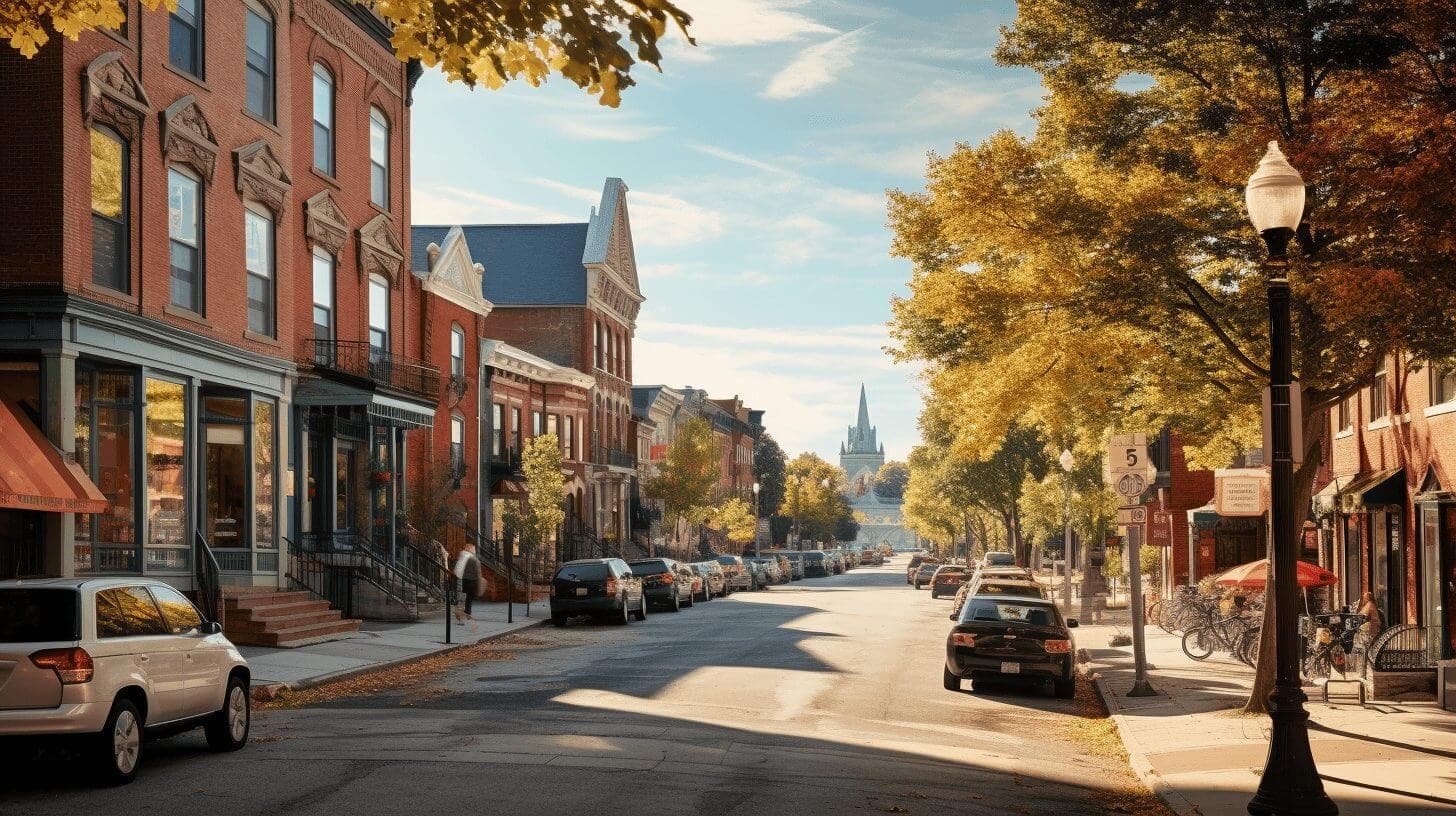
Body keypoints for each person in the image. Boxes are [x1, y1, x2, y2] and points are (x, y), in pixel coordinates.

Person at [453, 543, 481, 632]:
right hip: (471, 582)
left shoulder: (462, 557)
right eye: (473, 549)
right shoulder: (473, 559)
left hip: (463, 581)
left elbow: (457, 569)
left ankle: (465, 615)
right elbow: (477, 573)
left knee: (466, 600)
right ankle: (464, 615)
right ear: (470, 550)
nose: (475, 551)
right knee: (467, 600)